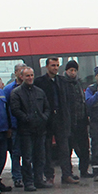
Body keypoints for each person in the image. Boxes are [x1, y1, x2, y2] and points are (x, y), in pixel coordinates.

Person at [38, 56, 77, 185]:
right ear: (47, 67)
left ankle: (67, 175)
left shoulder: (63, 81)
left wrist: (69, 118)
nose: (55, 68)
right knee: (47, 149)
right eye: (52, 65)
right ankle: (49, 176)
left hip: (62, 119)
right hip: (47, 120)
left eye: (57, 65)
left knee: (64, 149)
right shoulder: (40, 82)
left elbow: (69, 101)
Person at [10, 67, 50, 191]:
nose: (30, 78)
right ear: (21, 77)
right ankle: (28, 182)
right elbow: (15, 110)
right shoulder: (16, 93)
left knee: (40, 156)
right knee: (27, 157)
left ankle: (39, 180)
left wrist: (44, 118)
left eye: (32, 75)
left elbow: (47, 107)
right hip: (25, 130)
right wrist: (27, 119)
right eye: (27, 76)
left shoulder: (39, 92)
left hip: (40, 129)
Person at [62, 60, 90, 178]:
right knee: (68, 150)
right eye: (71, 70)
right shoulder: (63, 83)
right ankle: (68, 173)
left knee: (84, 148)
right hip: (68, 122)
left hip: (81, 121)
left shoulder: (78, 83)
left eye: (74, 70)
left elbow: (82, 101)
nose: (73, 73)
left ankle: (84, 171)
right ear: (66, 71)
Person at [3, 64, 25, 187]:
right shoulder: (8, 89)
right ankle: (17, 177)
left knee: (30, 153)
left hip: (29, 126)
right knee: (15, 153)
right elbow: (5, 109)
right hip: (15, 126)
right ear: (16, 73)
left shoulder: (32, 88)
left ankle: (29, 175)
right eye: (21, 72)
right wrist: (9, 127)